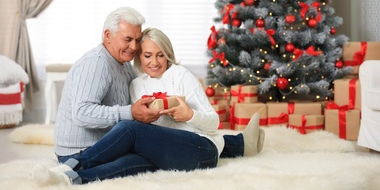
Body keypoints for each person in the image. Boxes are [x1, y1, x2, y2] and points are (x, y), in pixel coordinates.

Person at [32, 14, 264, 186]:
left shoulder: (179, 74)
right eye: (147, 55)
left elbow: (213, 122)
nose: (154, 62)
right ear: (139, 58)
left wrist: (189, 115)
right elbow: (148, 130)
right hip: (166, 151)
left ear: (168, 54)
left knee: (129, 129)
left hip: (201, 150)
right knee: (129, 160)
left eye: (160, 55)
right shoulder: (136, 83)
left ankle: (72, 164)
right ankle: (70, 178)